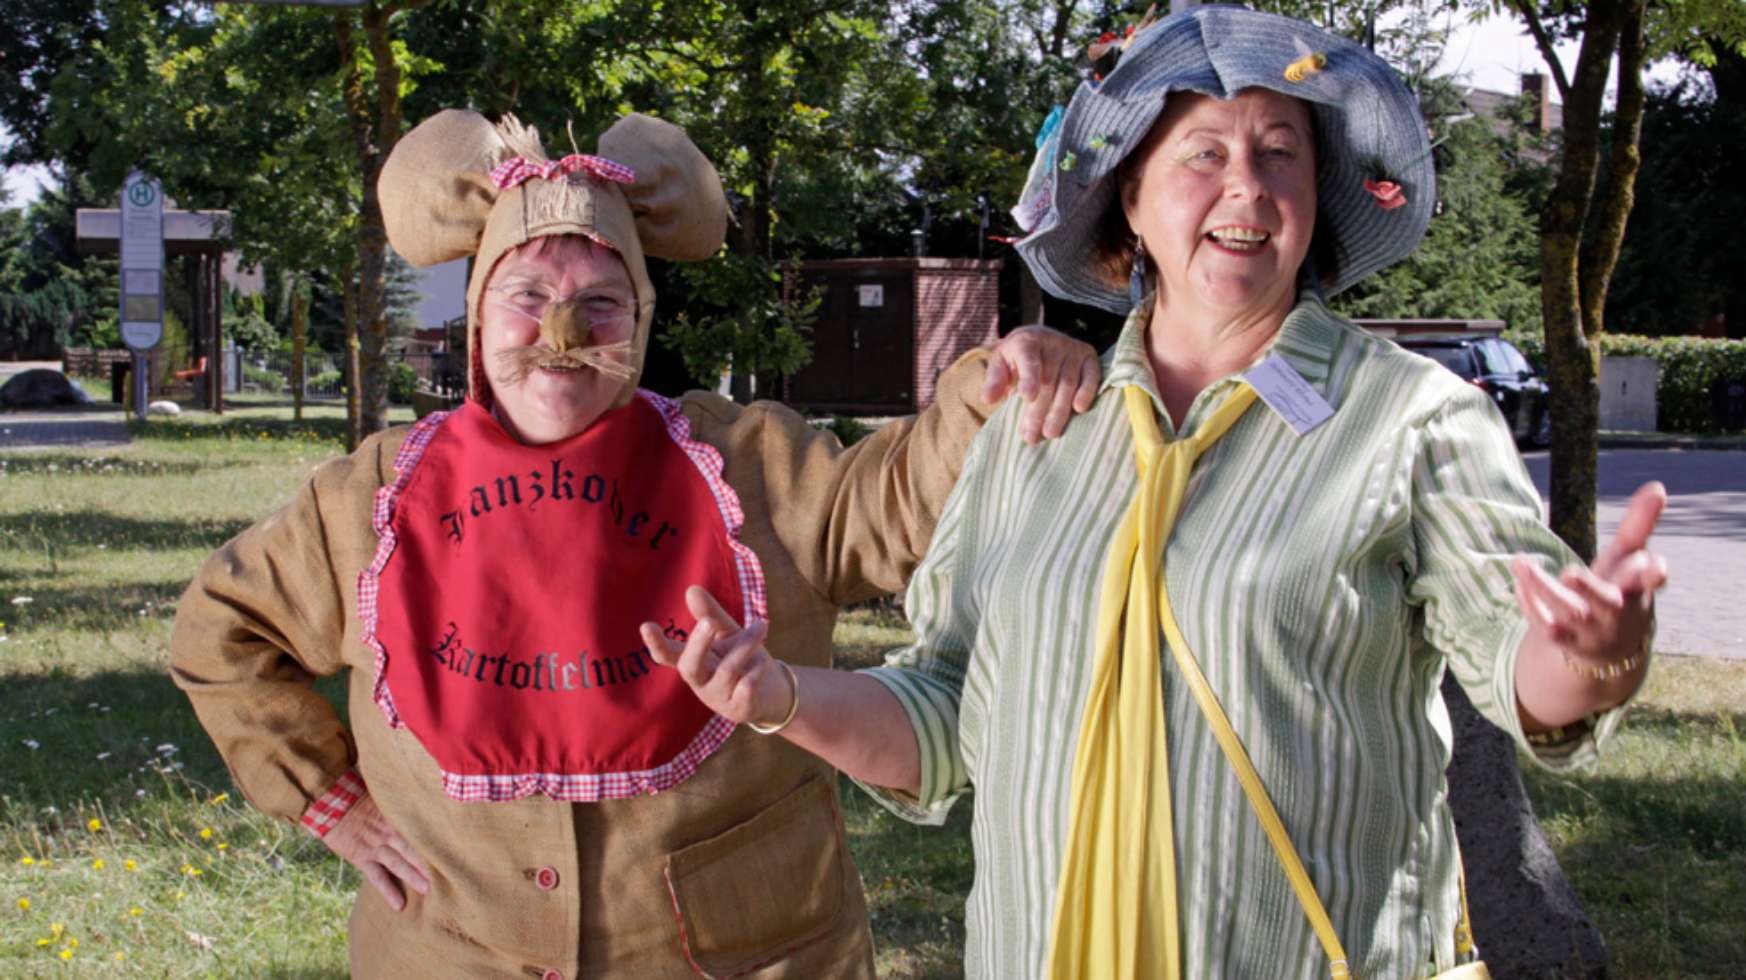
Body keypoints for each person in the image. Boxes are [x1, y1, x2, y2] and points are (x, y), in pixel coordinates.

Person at [647, 7, 1670, 978]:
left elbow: (1525, 662)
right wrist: (779, 695)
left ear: (1317, 198)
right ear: (1129, 200)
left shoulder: (1412, 419)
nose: (1248, 187)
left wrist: (1595, 652)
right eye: (1204, 155)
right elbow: (946, 714)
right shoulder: (1036, 429)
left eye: (1281, 153)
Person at [169, 108, 1100, 978]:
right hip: (448, 949)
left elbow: (889, 503)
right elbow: (223, 631)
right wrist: (330, 799)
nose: (562, 332)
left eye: (601, 302)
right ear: (478, 316)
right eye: (526, 294)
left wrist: (988, 392)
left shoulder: (748, 465)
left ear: (643, 319)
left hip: (748, 950)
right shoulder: (374, 496)